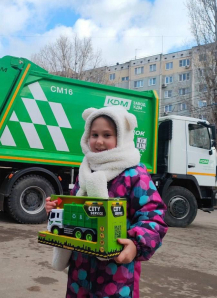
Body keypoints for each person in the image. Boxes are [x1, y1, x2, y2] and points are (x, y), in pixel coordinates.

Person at [45, 106, 168, 298]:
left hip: (117, 272)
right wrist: (57, 209)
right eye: (94, 134)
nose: (99, 141)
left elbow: (154, 216)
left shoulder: (134, 175)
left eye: (107, 135)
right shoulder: (86, 171)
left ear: (122, 137)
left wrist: (136, 244)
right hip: (80, 272)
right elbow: (75, 208)